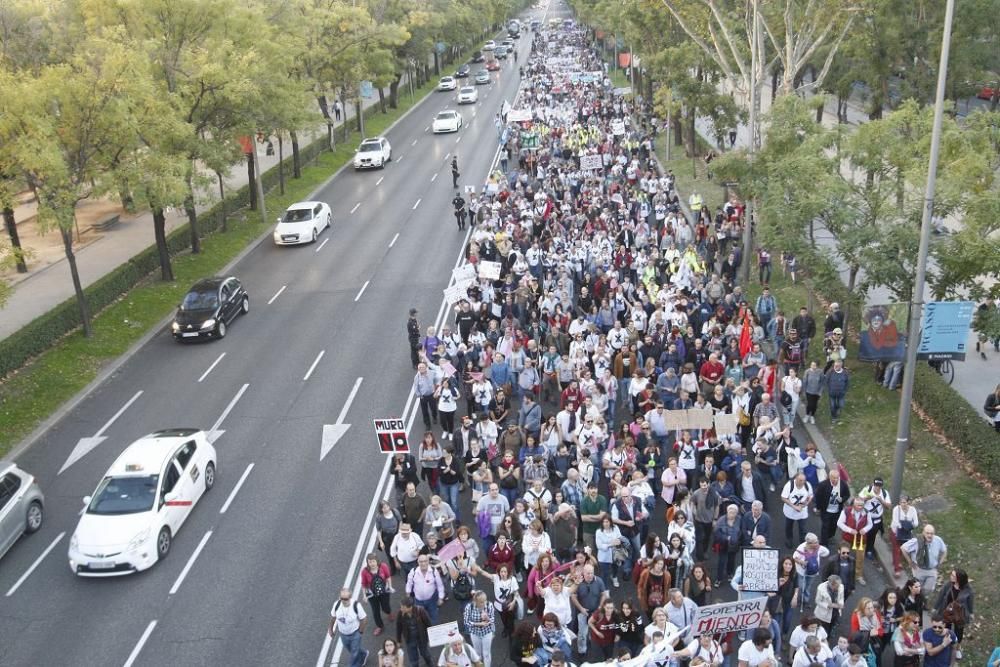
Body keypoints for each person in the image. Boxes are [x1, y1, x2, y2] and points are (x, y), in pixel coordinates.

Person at [933, 568, 974, 660]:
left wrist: (971, 612)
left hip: (960, 614)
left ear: (959, 578)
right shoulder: (948, 584)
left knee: (959, 632)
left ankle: (957, 649)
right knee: (946, 629)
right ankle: (945, 646)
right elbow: (941, 595)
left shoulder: (968, 589)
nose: (951, 577)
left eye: (953, 576)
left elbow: (970, 601)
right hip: (947, 611)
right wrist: (935, 607)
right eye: (951, 574)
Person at [901, 523, 947, 594]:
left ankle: (923, 600)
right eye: (927, 533)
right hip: (919, 570)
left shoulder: (938, 540)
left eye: (931, 533)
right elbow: (903, 548)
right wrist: (910, 562)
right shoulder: (916, 541)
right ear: (923, 533)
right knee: (917, 589)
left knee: (929, 590)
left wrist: (940, 562)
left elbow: (944, 550)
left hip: (932, 570)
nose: (929, 535)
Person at [329, 587, 369, 667]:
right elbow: (333, 617)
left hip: (355, 633)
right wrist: (330, 629)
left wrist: (360, 632)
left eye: (346, 598)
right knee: (351, 649)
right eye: (342, 598)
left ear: (350, 597)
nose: (343, 600)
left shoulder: (356, 606)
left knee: (354, 653)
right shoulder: (336, 605)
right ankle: (364, 654)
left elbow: (364, 619)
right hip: (343, 634)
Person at [405, 555, 445, 624]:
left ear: (428, 561)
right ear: (418, 562)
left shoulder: (433, 571)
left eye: (425, 561)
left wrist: (440, 598)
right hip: (418, 601)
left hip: (432, 600)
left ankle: (433, 631)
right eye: (421, 561)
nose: (423, 563)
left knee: (434, 617)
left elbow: (440, 585)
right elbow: (409, 583)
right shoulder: (413, 572)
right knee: (420, 618)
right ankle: (424, 632)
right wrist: (408, 593)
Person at [361, 553, 394, 636]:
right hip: (372, 595)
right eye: (369, 562)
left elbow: (388, 577)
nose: (371, 564)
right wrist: (364, 595)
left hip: (384, 592)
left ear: (377, 561)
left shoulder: (383, 566)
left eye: (373, 561)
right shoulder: (365, 571)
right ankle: (380, 626)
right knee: (375, 611)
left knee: (385, 607)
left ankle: (389, 613)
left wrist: (390, 586)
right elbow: (364, 584)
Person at [397, 596, 434, 667]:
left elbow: (428, 624)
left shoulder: (420, 611)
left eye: (403, 607)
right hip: (409, 639)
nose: (401, 609)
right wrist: (398, 641)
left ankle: (429, 663)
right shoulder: (400, 613)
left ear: (409, 607)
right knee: (413, 659)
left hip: (421, 638)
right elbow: (398, 627)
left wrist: (431, 638)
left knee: (425, 653)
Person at [462, 591, 495, 667]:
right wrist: (478, 624)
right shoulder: (469, 607)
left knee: (486, 653)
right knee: (477, 653)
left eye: (485, 600)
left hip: (487, 632)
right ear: (475, 601)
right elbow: (466, 622)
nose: (484, 603)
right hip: (475, 633)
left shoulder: (489, 605)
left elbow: (492, 620)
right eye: (481, 602)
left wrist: (487, 618)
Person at [889, 495, 919, 576]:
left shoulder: (912, 510)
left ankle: (897, 561)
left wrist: (909, 526)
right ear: (899, 503)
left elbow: (916, 522)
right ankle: (897, 569)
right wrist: (903, 525)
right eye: (901, 502)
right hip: (896, 531)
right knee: (896, 549)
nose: (903, 504)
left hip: (906, 533)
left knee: (902, 549)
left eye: (905, 502)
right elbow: (895, 521)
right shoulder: (896, 509)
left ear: (908, 502)